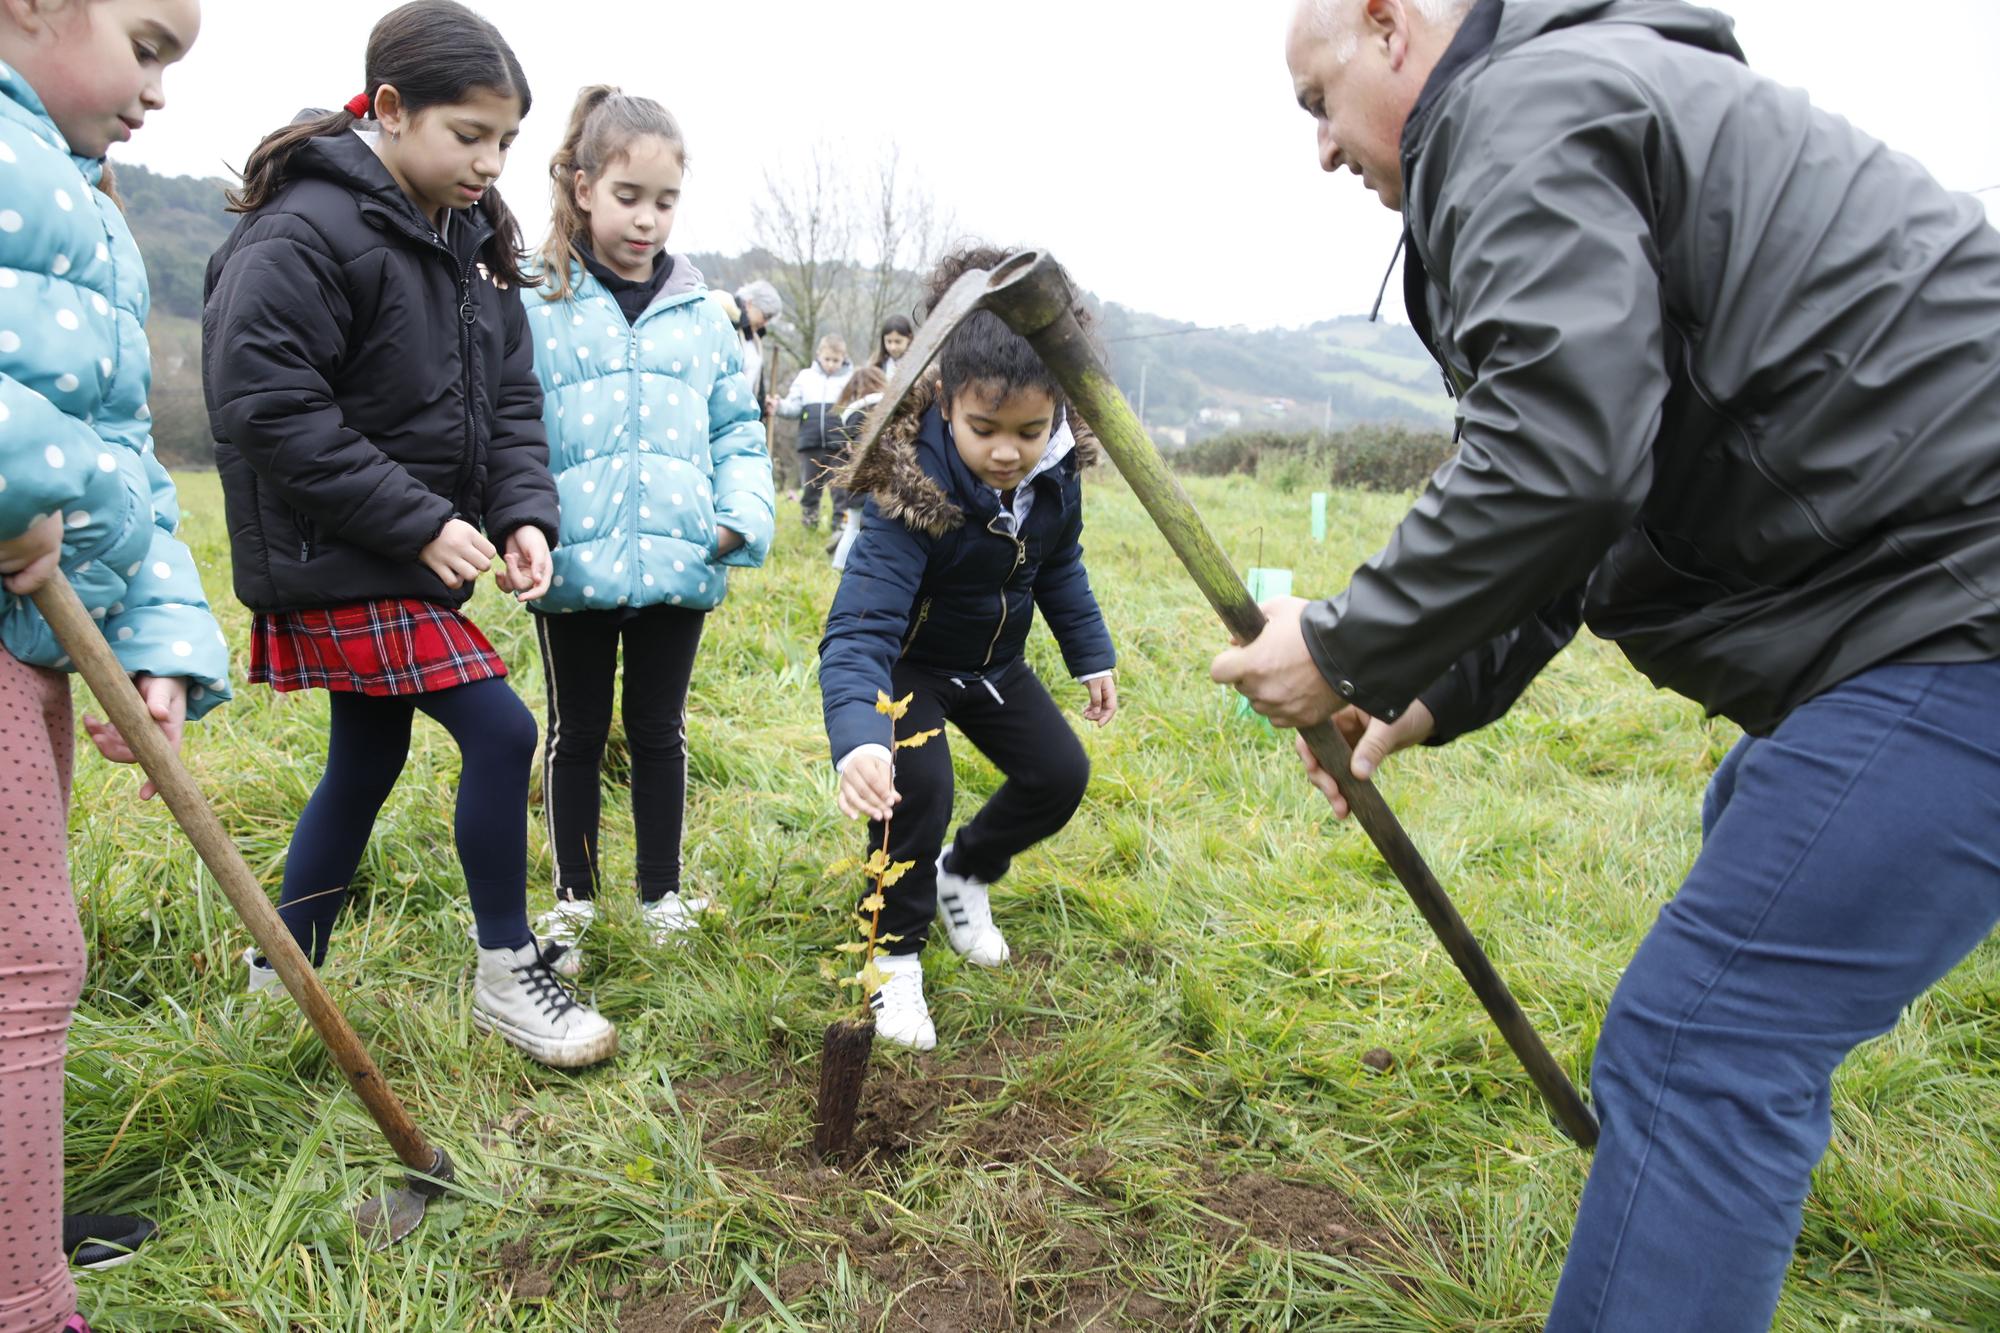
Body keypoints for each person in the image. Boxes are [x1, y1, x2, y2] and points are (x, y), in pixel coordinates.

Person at [1215, 2, 2000, 1329]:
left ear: (1390, 26)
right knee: (1753, 817)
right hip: (1918, 594)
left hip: (1957, 605)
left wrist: (1346, 638)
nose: (1324, 153)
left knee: (1705, 1041)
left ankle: (1700, 1175)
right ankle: (1704, 1208)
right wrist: (1426, 685)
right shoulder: (1587, 101)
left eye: (1316, 101)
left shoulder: (1524, 112)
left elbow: (1561, 464)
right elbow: (1608, 486)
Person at [203, 0, 614, 1069]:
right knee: (502, 730)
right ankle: (504, 969)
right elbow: (265, 404)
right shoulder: (302, 230)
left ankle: (280, 968)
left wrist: (521, 512)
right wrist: (422, 519)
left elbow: (509, 397)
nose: (489, 162)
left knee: (366, 758)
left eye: (506, 142)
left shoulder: (469, 239)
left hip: (404, 548)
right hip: (338, 550)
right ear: (388, 110)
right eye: (468, 135)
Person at [1, 3, 226, 1328]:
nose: (156, 89)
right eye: (147, 44)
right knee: (27, 968)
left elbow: (123, 451)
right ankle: (28, 1297)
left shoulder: (78, 196)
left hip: (36, 640)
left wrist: (155, 636)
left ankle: (22, 1219)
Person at [819, 245, 1119, 1051]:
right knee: (916, 786)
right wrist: (857, 738)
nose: (1007, 451)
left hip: (990, 663)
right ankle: (893, 956)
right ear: (946, 399)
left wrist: (1090, 650)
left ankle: (967, 872)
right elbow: (858, 632)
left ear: (1058, 408)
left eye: (1030, 428)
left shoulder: (1054, 475)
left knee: (1060, 774)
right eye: (984, 428)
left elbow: (1060, 563)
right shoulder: (910, 487)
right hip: (910, 664)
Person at [524, 86, 772, 962]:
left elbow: (737, 429)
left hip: (680, 559)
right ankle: (574, 903)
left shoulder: (704, 316)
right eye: (629, 197)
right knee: (575, 732)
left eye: (665, 201)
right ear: (584, 186)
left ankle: (662, 895)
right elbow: (514, 420)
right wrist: (527, 522)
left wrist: (737, 520)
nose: (647, 219)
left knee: (661, 730)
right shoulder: (538, 302)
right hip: (574, 564)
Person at [774, 335, 853, 532]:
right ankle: (809, 522)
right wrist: (777, 406)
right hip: (811, 442)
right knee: (811, 486)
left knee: (840, 487)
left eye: (836, 360)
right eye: (827, 359)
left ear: (844, 358)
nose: (831, 365)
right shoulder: (806, 378)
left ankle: (839, 526)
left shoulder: (851, 380)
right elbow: (793, 407)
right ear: (819, 355)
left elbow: (856, 410)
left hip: (840, 444)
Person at [826, 364, 887, 566]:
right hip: (882, 481)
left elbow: (850, 449)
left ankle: (839, 564)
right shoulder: (886, 410)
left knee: (852, 527)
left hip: (856, 481)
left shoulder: (851, 416)